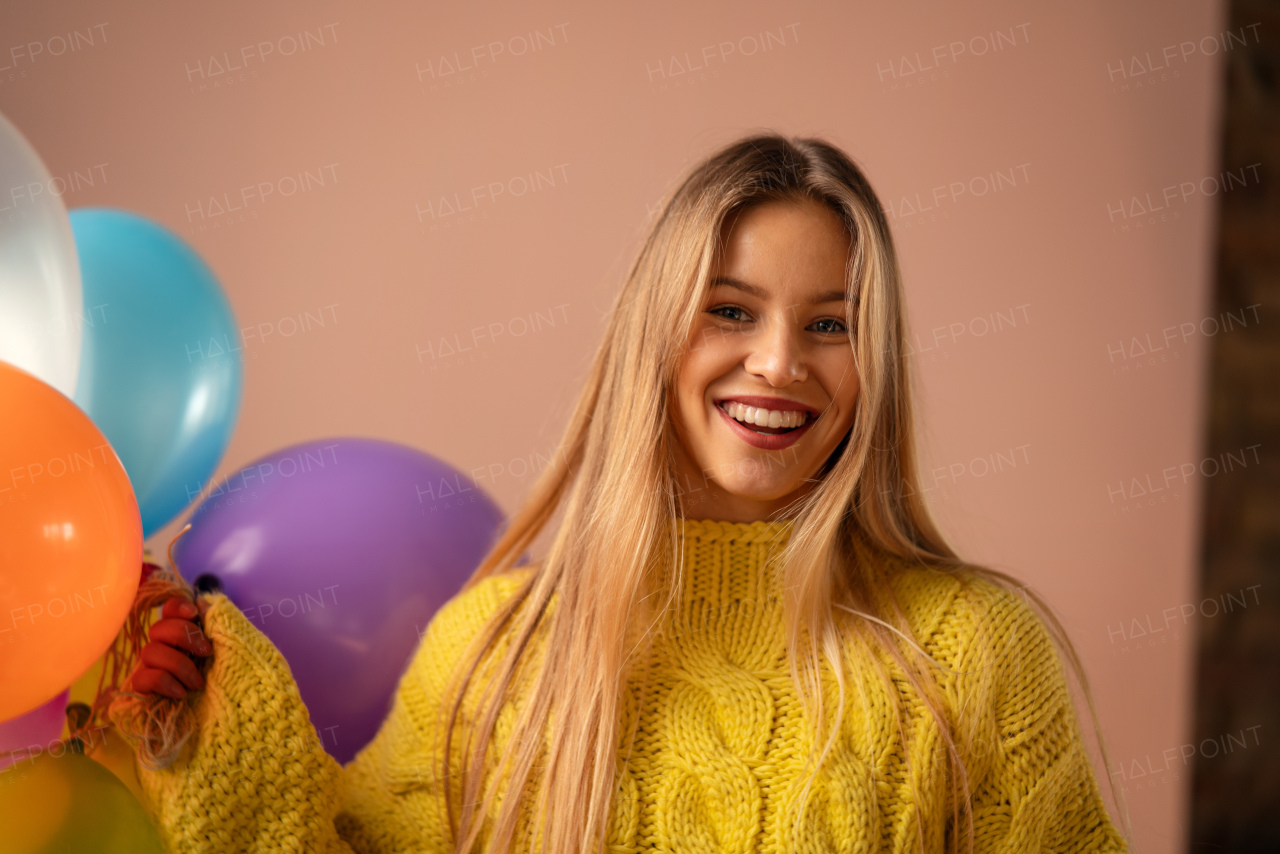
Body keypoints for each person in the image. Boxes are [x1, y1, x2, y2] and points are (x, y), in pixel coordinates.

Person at [126, 134, 1130, 853]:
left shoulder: (972, 650)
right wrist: (201, 722)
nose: (778, 362)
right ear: (654, 336)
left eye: (830, 324)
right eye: (729, 310)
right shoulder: (493, 651)